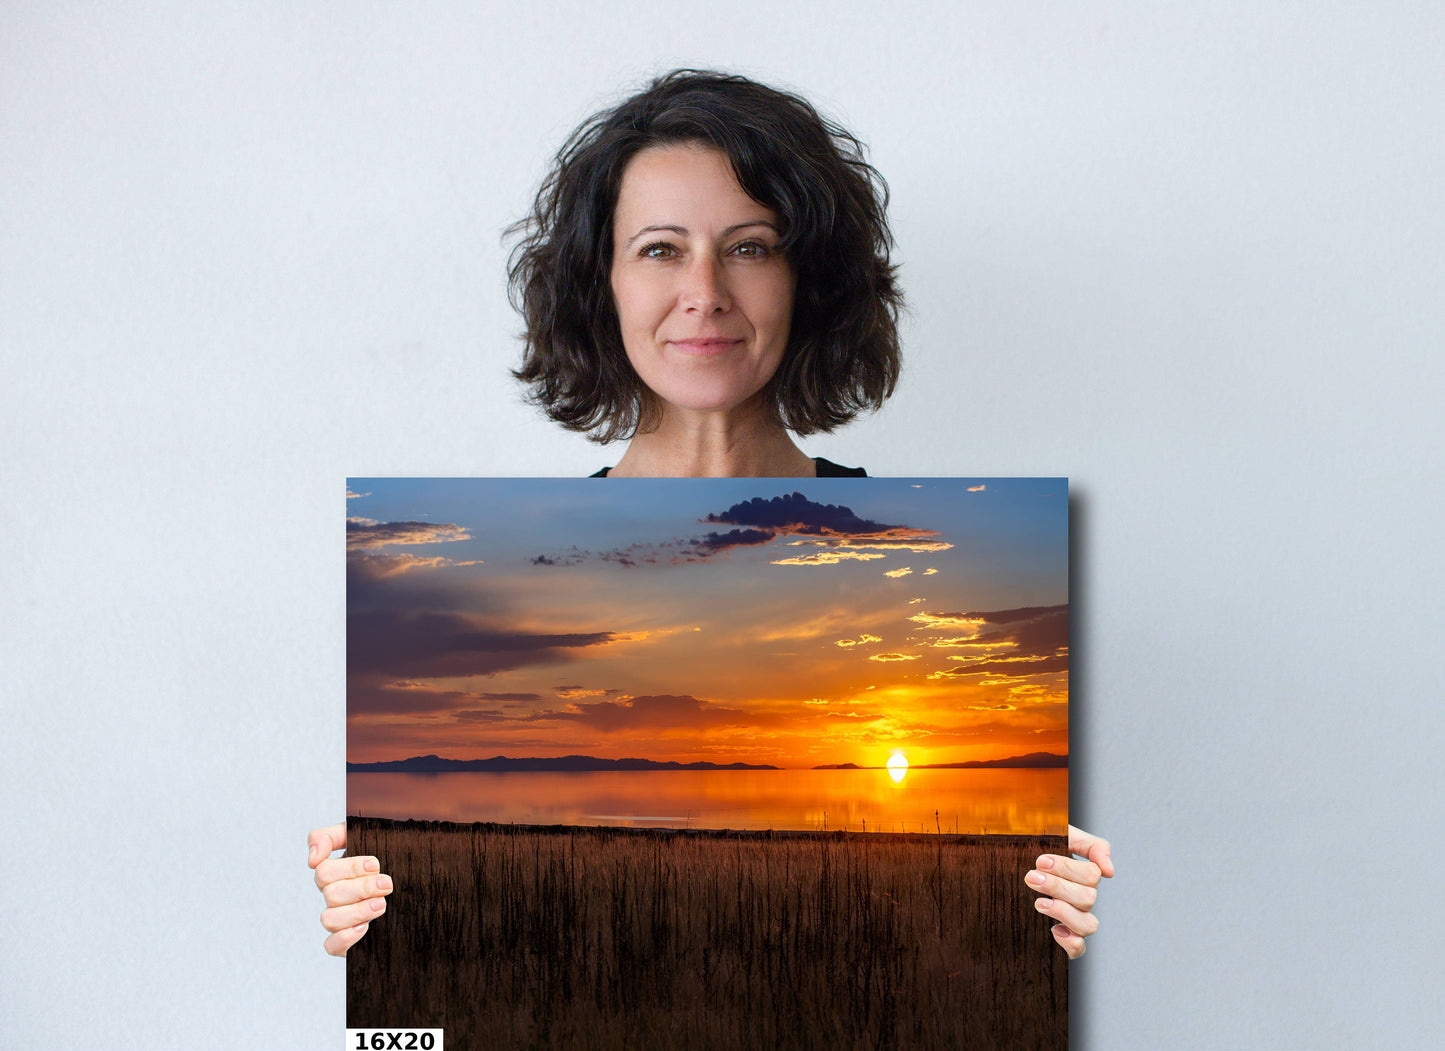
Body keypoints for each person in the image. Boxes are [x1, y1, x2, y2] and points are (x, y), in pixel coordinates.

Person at [311, 69, 1113, 960]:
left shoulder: (948, 565)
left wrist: (1028, 913)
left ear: (807, 280)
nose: (705, 290)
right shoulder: (471, 575)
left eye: (750, 246)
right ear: (601, 282)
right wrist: (390, 912)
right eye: (660, 248)